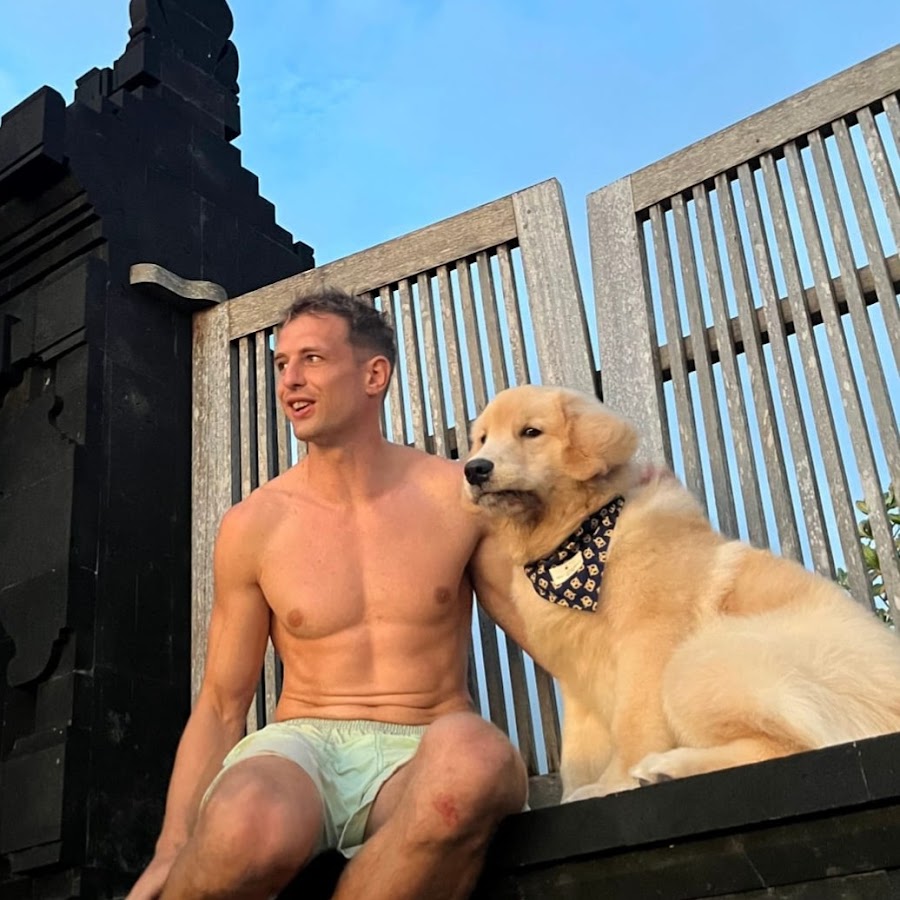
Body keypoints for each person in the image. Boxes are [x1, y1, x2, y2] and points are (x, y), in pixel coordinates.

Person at [128, 288, 528, 900]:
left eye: (311, 358)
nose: (290, 380)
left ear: (374, 375)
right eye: (281, 363)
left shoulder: (457, 498)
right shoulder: (254, 524)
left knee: (477, 762)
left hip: (423, 740)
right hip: (303, 747)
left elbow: (547, 629)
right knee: (246, 824)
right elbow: (222, 703)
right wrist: (170, 847)